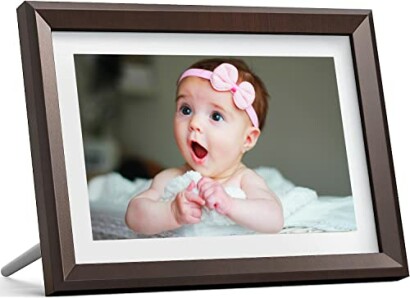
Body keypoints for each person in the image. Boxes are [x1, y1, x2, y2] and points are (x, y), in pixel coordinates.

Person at [125, 58, 283, 236]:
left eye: (216, 116)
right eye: (186, 110)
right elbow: (133, 215)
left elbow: (274, 218)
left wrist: (230, 204)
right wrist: (170, 212)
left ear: (247, 139)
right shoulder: (171, 178)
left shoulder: (244, 179)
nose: (194, 123)